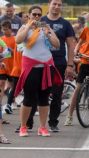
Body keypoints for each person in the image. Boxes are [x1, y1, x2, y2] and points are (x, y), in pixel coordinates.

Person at [14, 5, 62, 137]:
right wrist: (29, 26)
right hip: (31, 67)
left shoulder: (46, 27)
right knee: (28, 98)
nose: (36, 17)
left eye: (38, 15)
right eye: (34, 14)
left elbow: (57, 44)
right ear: (29, 15)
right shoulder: (24, 28)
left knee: (44, 98)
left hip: (46, 67)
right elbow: (18, 40)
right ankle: (23, 127)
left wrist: (48, 34)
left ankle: (42, 127)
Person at [37, 0, 76, 132]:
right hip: (40, 62)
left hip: (58, 63)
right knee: (35, 93)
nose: (56, 6)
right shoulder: (40, 20)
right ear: (49, 4)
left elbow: (71, 45)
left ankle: (53, 122)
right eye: (54, 3)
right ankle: (28, 122)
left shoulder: (65, 24)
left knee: (57, 94)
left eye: (59, 4)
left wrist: (70, 65)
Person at [0, 20, 16, 115]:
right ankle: (1, 105)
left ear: (10, 29)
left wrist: (10, 51)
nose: (4, 31)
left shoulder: (15, 39)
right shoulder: (1, 39)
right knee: (1, 83)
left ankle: (10, 103)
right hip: (3, 66)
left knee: (12, 86)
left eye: (6, 29)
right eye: (3, 29)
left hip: (12, 67)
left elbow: (17, 53)